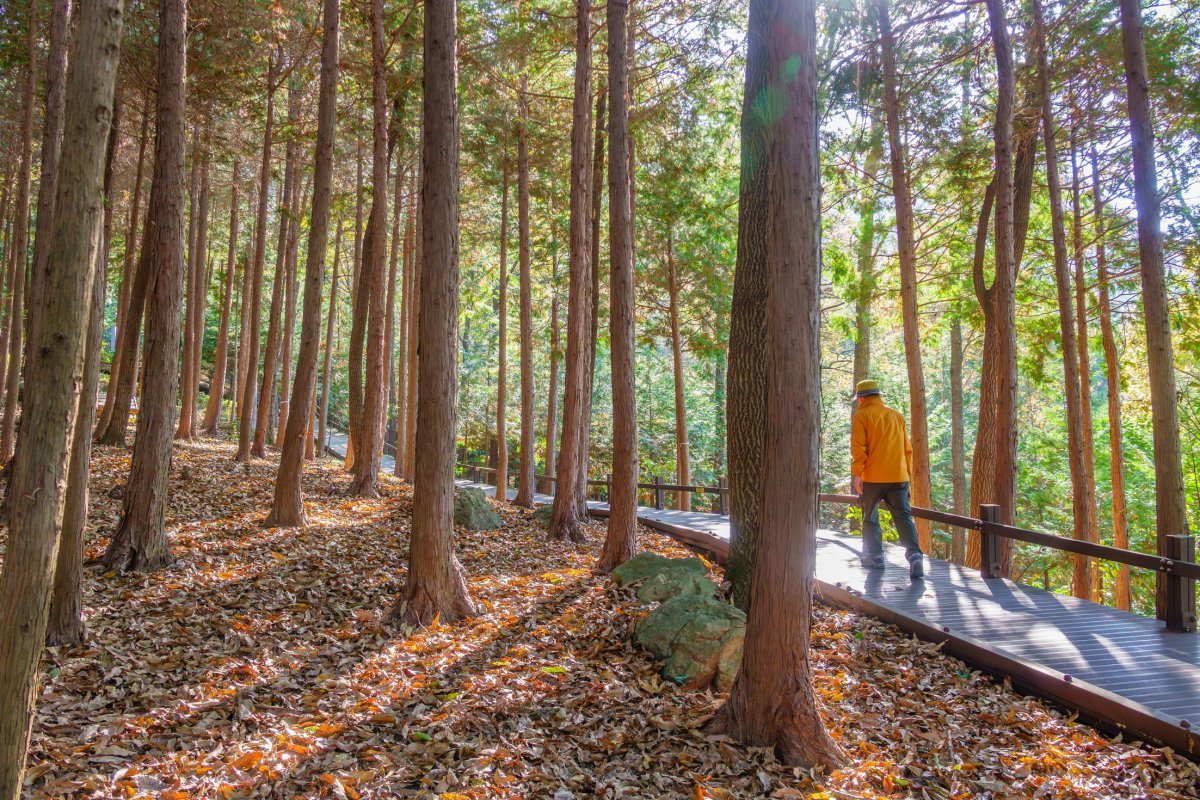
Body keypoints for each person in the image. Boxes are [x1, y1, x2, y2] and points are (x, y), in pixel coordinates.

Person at [850, 379, 925, 579]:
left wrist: (858, 474)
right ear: (878, 396)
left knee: (870, 517)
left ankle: (875, 558)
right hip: (898, 477)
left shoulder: (862, 416)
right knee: (903, 517)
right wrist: (906, 475)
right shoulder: (896, 415)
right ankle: (915, 556)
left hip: (874, 477)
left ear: (862, 398)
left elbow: (859, 449)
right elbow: (907, 449)